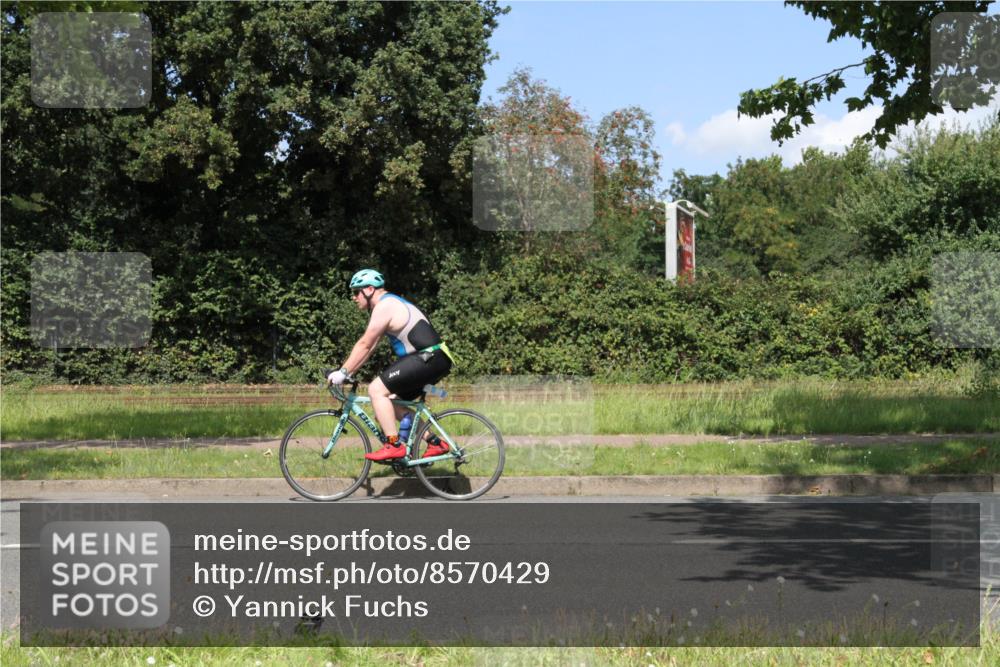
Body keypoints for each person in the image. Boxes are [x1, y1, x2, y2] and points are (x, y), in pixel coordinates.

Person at [326, 269, 454, 461]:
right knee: (390, 405)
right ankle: (436, 443)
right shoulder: (388, 304)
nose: (354, 297)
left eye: (356, 292)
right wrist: (347, 371)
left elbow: (364, 344)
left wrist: (342, 372)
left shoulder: (385, 306)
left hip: (428, 357)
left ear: (369, 289)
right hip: (434, 358)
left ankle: (393, 445)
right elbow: (369, 350)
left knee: (376, 390)